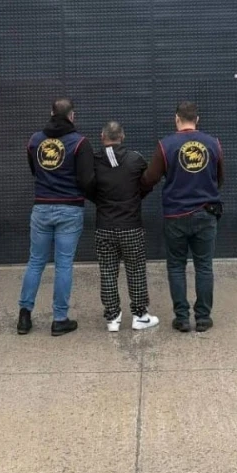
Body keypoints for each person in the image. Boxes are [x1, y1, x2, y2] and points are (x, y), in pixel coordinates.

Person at [142, 101, 224, 333]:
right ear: (197, 119)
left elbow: (150, 178)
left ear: (176, 119)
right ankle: (203, 318)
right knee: (204, 266)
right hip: (206, 213)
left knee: (176, 266)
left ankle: (182, 318)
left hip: (175, 214)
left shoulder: (165, 145)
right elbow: (219, 178)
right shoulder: (213, 143)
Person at [18, 98, 95, 336]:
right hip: (70, 209)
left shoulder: (35, 141)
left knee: (35, 262)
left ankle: (24, 317)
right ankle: (59, 319)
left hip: (41, 207)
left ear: (51, 113)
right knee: (63, 265)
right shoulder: (80, 143)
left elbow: (35, 171)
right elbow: (86, 180)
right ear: (72, 116)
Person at [92, 121, 159, 332]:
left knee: (107, 271)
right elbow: (148, 181)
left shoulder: (94, 160)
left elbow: (86, 184)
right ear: (123, 137)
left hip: (104, 224)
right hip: (131, 225)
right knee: (136, 270)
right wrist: (136, 197)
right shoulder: (136, 159)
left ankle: (112, 318)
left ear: (102, 136)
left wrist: (100, 200)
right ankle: (140, 316)